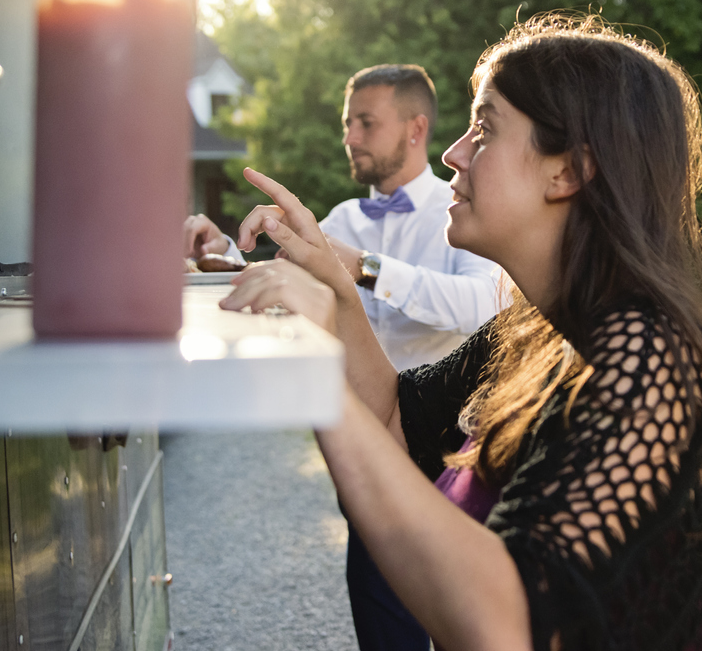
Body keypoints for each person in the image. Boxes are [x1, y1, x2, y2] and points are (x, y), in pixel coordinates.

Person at [220, 15, 702, 650]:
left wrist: (314, 375)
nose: (452, 154)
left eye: (485, 129)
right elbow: (396, 424)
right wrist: (332, 285)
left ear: (568, 171)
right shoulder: (527, 330)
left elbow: (508, 625)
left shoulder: (650, 355)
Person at [186, 64, 500, 651]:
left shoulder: (464, 210)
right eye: (347, 123)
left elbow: (481, 304)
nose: (350, 136)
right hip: (372, 452)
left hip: (451, 451)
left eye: (366, 123)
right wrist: (223, 252)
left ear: (415, 129)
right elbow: (283, 280)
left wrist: (365, 267)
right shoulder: (346, 220)